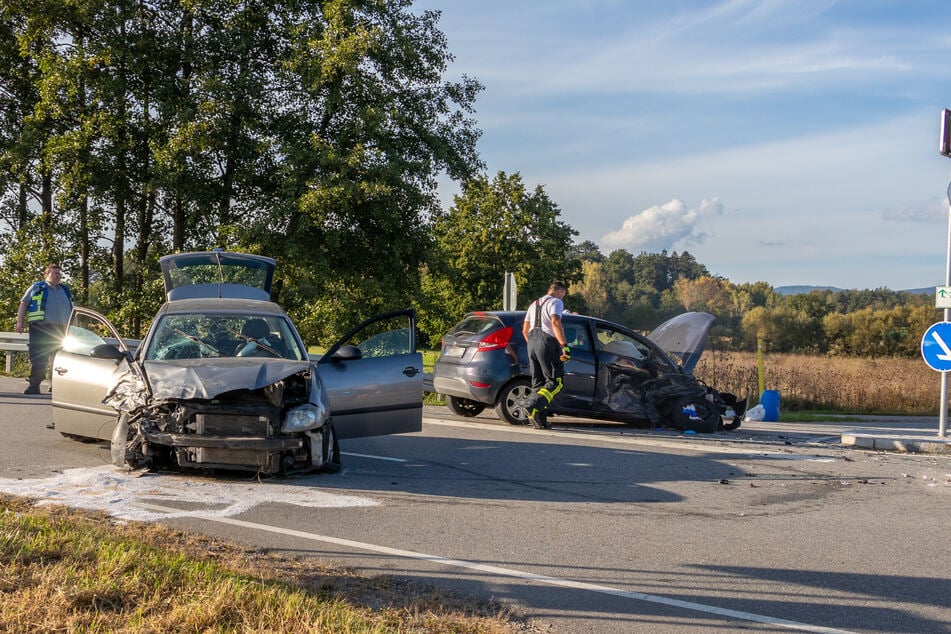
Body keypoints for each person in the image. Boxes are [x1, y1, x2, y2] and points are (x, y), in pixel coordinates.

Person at [15, 263, 74, 394]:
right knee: (39, 359)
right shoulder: (37, 287)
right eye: (54, 273)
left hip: (61, 330)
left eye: (59, 274)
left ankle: (56, 385)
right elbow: (24, 304)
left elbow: (72, 309)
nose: (58, 276)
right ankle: (34, 385)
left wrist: (75, 327)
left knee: (59, 359)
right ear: (46, 274)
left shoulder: (65, 290)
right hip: (40, 328)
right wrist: (20, 322)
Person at [522, 280, 570, 429]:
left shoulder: (533, 304)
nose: (562, 298)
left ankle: (539, 421)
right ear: (560, 291)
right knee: (556, 383)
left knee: (539, 383)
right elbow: (555, 322)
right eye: (563, 295)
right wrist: (563, 346)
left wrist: (534, 344)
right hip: (547, 341)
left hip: (531, 342)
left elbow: (525, 330)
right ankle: (532, 403)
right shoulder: (556, 302)